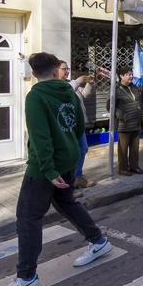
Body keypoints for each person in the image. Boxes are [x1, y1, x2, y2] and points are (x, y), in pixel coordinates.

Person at [0, 53, 111, 286]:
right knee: (66, 203)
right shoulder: (69, 92)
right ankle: (98, 241)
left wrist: (48, 170)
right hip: (68, 158)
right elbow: (79, 127)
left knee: (28, 217)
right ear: (56, 71)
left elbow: (40, 136)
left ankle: (26, 277)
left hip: (45, 167)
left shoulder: (36, 96)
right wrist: (67, 153)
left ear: (34, 73)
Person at [57, 62, 96, 197]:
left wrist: (90, 84)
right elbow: (64, 94)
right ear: (55, 70)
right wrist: (76, 82)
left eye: (67, 69)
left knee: (83, 149)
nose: (67, 71)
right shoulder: (56, 85)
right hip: (67, 126)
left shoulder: (71, 83)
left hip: (79, 123)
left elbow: (85, 94)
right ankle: (68, 185)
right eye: (64, 69)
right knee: (70, 154)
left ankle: (77, 177)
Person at [108, 67, 143, 176]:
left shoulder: (134, 87)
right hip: (124, 123)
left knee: (135, 147)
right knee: (123, 148)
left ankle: (134, 166)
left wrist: (142, 111)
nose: (131, 76)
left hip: (135, 122)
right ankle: (123, 168)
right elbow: (110, 106)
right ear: (121, 76)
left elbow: (139, 101)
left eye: (131, 74)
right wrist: (121, 115)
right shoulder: (116, 89)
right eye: (128, 74)